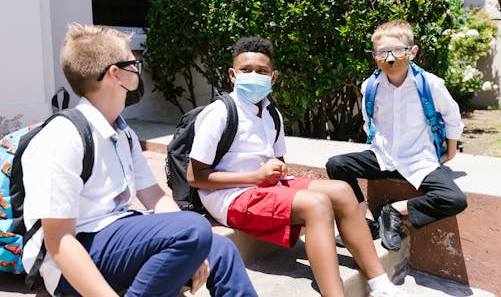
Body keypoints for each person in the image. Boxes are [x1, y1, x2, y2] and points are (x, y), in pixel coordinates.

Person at [20, 24, 257, 297]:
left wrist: (197, 249)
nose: (138, 70)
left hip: (115, 236)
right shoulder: (63, 136)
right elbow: (60, 241)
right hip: (71, 259)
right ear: (115, 74)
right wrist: (192, 236)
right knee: (194, 229)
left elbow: (155, 196)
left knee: (219, 248)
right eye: (134, 64)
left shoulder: (123, 133)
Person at [187, 37, 406, 297]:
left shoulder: (271, 113)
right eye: (246, 70)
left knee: (342, 190)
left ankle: (380, 283)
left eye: (262, 71)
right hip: (229, 196)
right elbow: (195, 176)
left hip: (263, 186)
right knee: (316, 204)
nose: (253, 76)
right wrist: (255, 176)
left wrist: (275, 172)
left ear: (274, 77)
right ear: (233, 75)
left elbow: (277, 161)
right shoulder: (219, 113)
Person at [326, 19, 468, 252]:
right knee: (337, 165)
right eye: (382, 52)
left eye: (398, 50)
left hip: (419, 159)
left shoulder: (430, 84)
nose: (390, 58)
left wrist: (450, 151)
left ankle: (392, 212)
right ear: (375, 56)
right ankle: (363, 223)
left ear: (412, 52)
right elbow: (368, 122)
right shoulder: (370, 86)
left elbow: (452, 116)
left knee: (453, 199)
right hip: (383, 157)